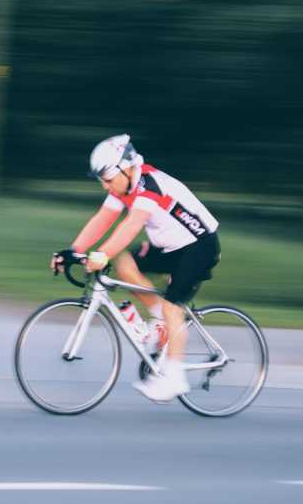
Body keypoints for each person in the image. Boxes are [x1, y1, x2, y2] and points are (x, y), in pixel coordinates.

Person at [50, 134, 221, 402]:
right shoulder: (123, 187)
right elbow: (104, 218)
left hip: (199, 246)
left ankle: (175, 378)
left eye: (107, 179)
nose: (105, 186)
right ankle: (159, 320)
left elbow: (131, 226)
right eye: (101, 181)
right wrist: (74, 251)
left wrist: (102, 254)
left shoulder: (149, 185)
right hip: (169, 247)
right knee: (124, 261)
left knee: (172, 307)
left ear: (125, 167)